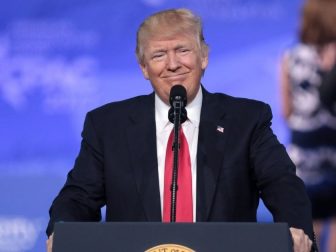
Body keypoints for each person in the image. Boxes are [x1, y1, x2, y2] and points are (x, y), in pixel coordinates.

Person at [47, 8, 315, 252]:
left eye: (183, 51)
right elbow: (79, 197)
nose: (173, 64)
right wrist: (61, 232)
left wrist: (297, 231)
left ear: (204, 57)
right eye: (159, 55)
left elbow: (282, 185)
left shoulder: (245, 120)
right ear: (144, 68)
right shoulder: (107, 125)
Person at [280, 0, 336, 251]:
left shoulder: (291, 57)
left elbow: (286, 111)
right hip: (332, 151)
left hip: (303, 154)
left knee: (307, 229)